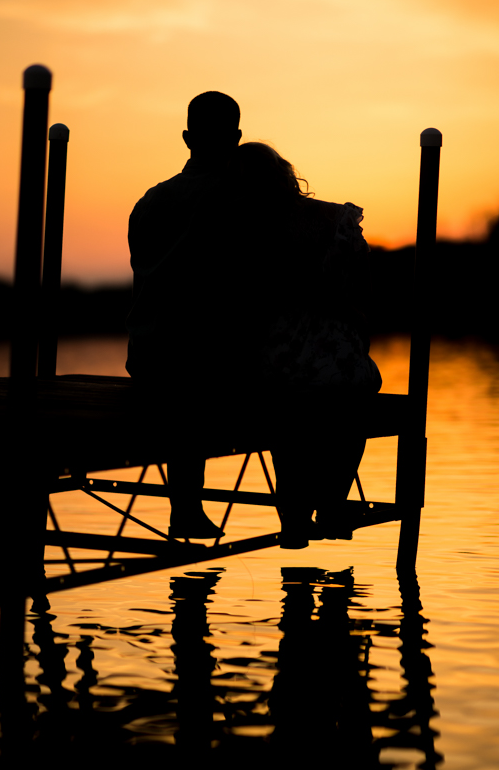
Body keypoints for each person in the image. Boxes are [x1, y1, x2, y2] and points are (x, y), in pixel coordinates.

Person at [232, 142, 382, 548]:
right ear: (285, 173)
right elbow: (364, 288)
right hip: (336, 351)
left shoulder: (243, 228)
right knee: (354, 406)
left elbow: (241, 301)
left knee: (285, 424)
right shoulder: (337, 219)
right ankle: (333, 501)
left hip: (277, 355)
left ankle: (294, 517)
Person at [126, 91, 243, 538]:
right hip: (208, 362)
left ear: (186, 138)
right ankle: (307, 507)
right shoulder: (239, 200)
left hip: (148, 355)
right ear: (235, 139)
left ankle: (185, 507)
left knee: (185, 370)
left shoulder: (150, 201)